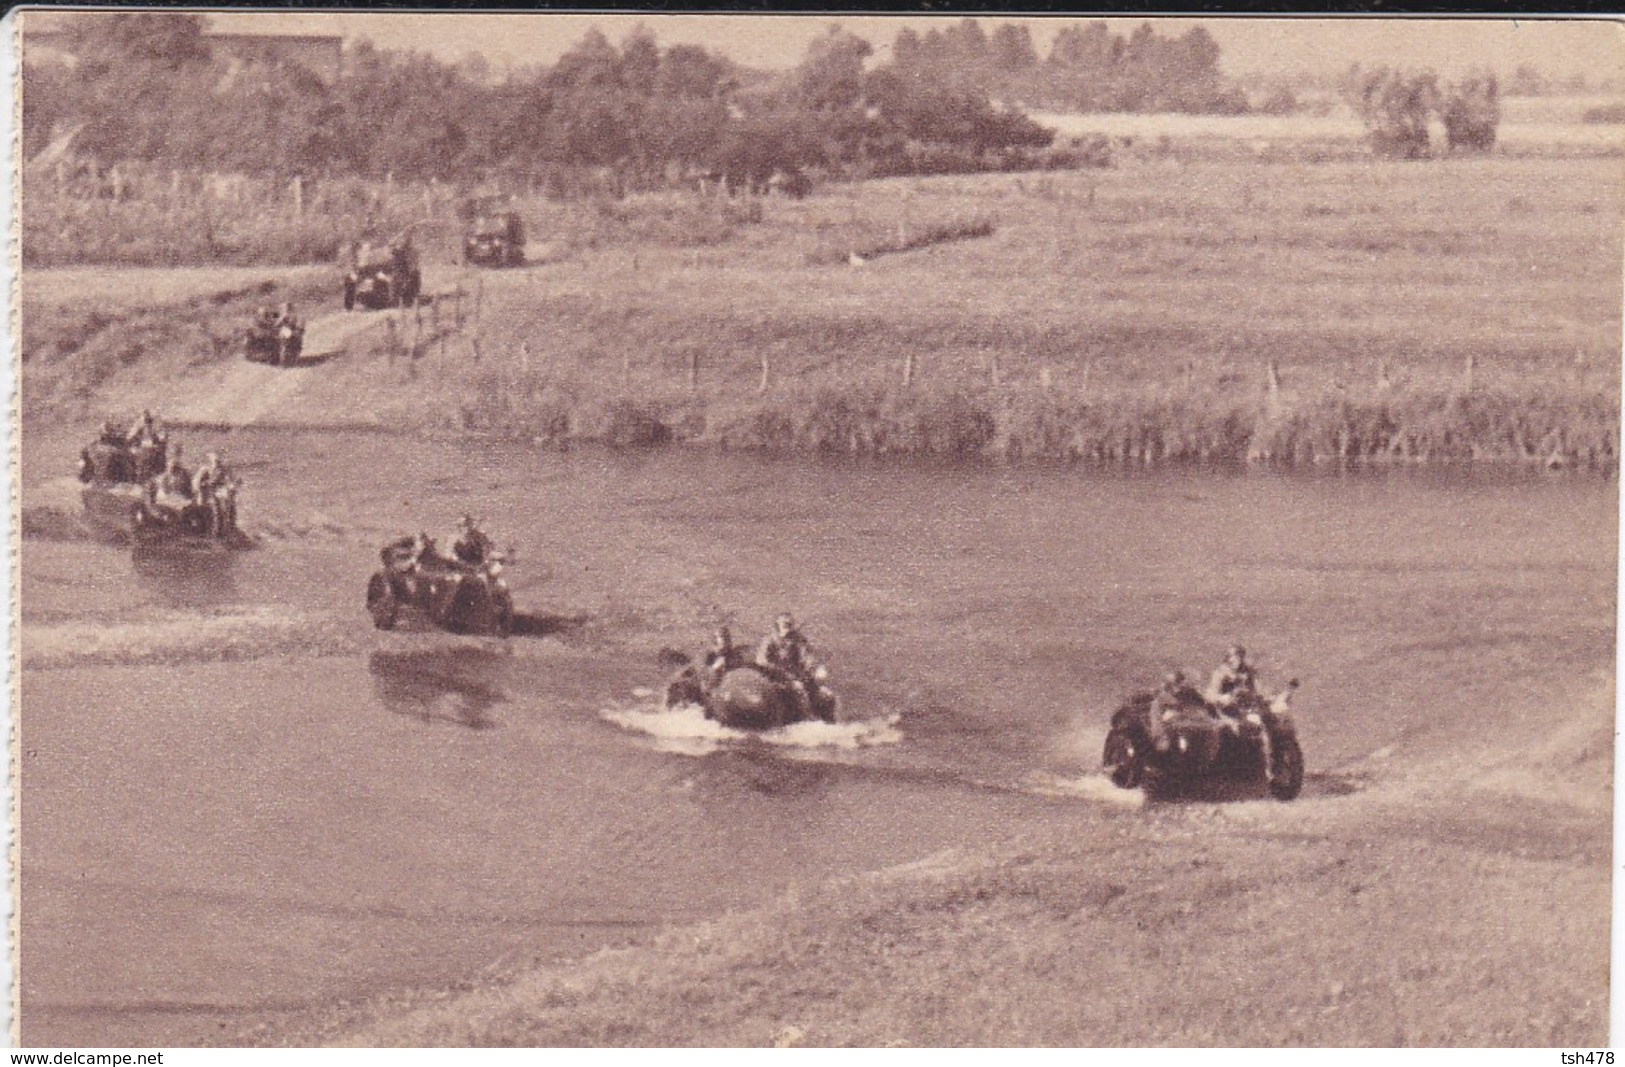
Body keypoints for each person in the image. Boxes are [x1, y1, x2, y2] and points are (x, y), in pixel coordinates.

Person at [1206, 645, 1259, 729]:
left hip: (1243, 709)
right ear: (1228, 659)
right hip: (1225, 711)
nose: (1237, 661)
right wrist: (1221, 698)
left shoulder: (1247, 672)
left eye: (1239, 658)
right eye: (1233, 658)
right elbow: (1210, 695)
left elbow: (1254, 692)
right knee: (1232, 728)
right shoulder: (1221, 672)